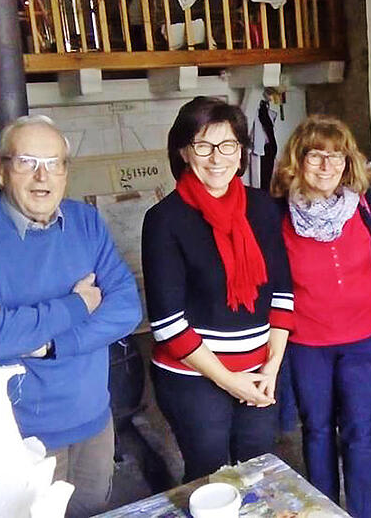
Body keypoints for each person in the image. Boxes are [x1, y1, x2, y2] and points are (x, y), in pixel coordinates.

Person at [0, 115, 142, 517]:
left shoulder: (86, 222)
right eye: (26, 162)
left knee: (92, 509)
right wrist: (77, 305)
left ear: (66, 172)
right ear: (1, 170)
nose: (42, 176)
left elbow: (126, 308)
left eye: (54, 163)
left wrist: (52, 343)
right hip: (16, 434)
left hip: (92, 419)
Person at [141, 97, 294, 482]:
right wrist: (230, 380)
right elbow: (168, 324)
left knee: (258, 467)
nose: (216, 158)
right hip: (192, 376)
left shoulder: (263, 208)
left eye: (227, 145)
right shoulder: (164, 220)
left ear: (240, 151)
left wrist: (271, 368)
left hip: (259, 368)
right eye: (203, 146)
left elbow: (282, 294)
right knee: (209, 473)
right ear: (183, 151)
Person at [270, 115, 371, 518]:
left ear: (348, 163)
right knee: (316, 432)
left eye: (337, 156)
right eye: (316, 155)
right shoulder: (277, 215)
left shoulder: (366, 205)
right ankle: (325, 511)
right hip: (307, 343)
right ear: (298, 161)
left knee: (360, 432)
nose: (327, 166)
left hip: (367, 339)